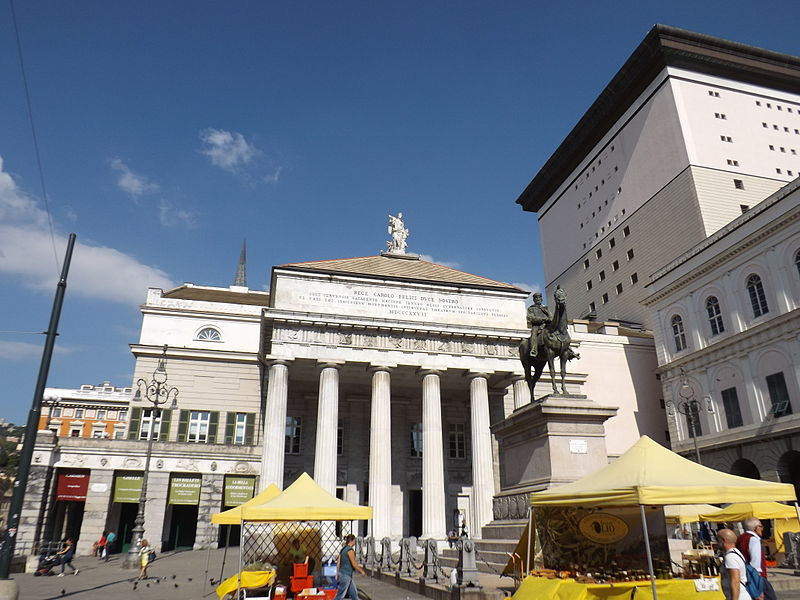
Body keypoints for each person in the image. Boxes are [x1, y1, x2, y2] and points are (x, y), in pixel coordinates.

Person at [736, 518, 775, 600]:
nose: (762, 529)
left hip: (746, 574)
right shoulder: (754, 539)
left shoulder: (741, 538)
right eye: (761, 526)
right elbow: (755, 563)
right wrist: (758, 585)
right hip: (755, 576)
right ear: (756, 528)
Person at [716, 528, 754, 600]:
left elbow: (735, 581)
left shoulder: (730, 557)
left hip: (739, 597)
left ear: (723, 540)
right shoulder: (736, 552)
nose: (717, 543)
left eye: (718, 540)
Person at [333, 534, 365, 600]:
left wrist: (336, 574)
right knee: (340, 595)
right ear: (352, 541)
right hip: (346, 575)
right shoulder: (350, 550)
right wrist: (361, 571)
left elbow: (338, 563)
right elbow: (354, 564)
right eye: (354, 541)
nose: (355, 542)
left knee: (354, 594)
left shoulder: (343, 549)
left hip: (343, 574)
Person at [526, 293, 551, 358]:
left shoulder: (545, 308)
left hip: (547, 325)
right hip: (537, 326)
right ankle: (534, 349)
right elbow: (530, 318)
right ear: (534, 300)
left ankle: (569, 350)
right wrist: (542, 319)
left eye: (539, 297)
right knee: (533, 333)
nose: (538, 299)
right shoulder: (531, 309)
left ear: (541, 299)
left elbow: (551, 317)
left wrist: (549, 318)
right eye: (536, 298)